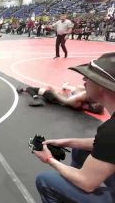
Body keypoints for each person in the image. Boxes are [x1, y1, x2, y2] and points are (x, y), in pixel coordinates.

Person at [33, 52, 115, 203]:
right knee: (80, 149)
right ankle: (73, 184)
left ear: (102, 86)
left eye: (89, 78)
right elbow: (108, 145)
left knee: (45, 180)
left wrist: (49, 159)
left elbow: (87, 183)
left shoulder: (111, 130)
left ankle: (73, 186)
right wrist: (67, 141)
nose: (84, 81)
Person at [17, 84, 104, 114]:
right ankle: (24, 90)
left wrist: (54, 91)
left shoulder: (76, 102)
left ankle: (35, 98)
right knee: (35, 90)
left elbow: (64, 100)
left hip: (53, 97)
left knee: (30, 88)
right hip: (57, 96)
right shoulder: (81, 98)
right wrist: (65, 86)